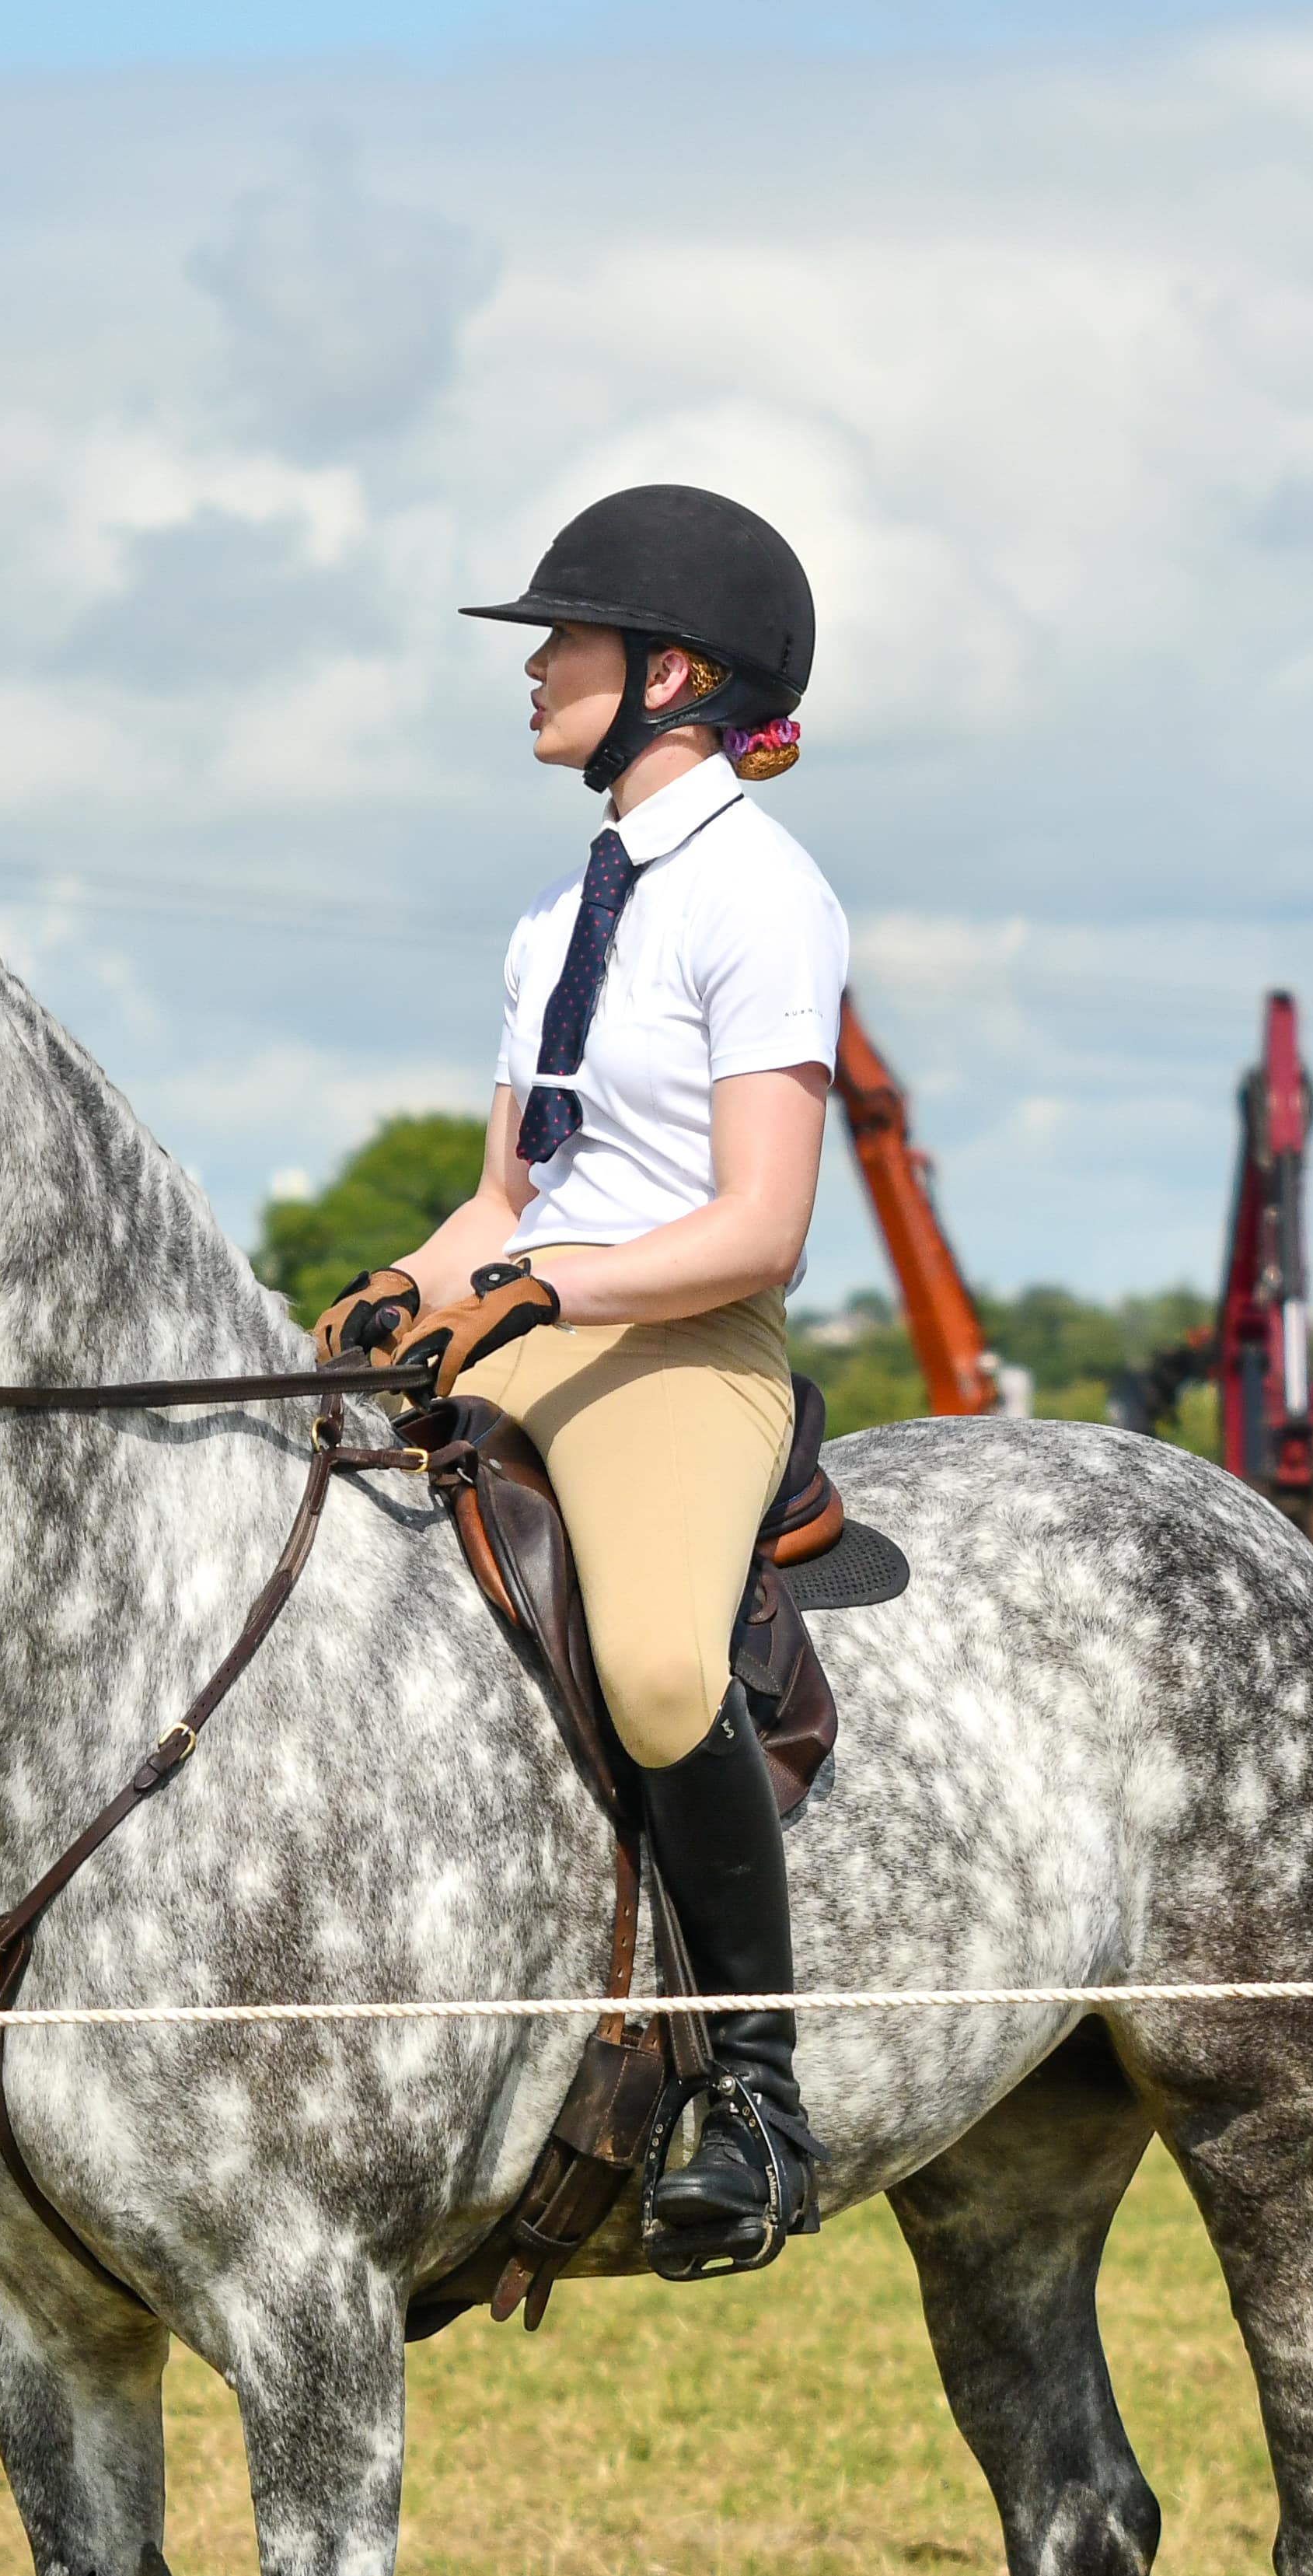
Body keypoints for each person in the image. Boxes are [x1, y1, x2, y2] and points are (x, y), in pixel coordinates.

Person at [315, 482, 840, 2274]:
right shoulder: (555, 913)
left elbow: (760, 1224)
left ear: (671, 673)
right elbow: (503, 1197)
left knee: (660, 1667)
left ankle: (755, 2098)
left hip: (679, 1346)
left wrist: (539, 1283)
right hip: (523, 1320)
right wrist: (395, 1289)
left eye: (566, 638)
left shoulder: (765, 899)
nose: (533, 667)